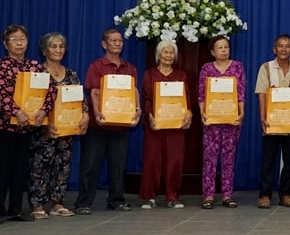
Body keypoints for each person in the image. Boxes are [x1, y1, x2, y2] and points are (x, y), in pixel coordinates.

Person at [75, 28, 141, 214]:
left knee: (118, 165)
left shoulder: (130, 67)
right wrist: (96, 112)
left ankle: (116, 200)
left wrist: (138, 108)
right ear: (104, 44)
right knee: (90, 165)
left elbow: (133, 91)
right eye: (113, 40)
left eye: (120, 40)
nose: (118, 43)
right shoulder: (96, 66)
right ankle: (83, 203)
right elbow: (94, 91)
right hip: (98, 125)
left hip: (120, 125)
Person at [29, 33, 89, 220]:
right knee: (40, 166)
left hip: (67, 130)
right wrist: (46, 125)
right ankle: (37, 204)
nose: (58, 50)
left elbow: (80, 101)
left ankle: (57, 203)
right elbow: (31, 103)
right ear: (44, 50)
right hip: (43, 131)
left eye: (61, 46)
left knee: (62, 165)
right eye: (53, 46)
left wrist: (85, 115)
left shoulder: (71, 74)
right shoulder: (38, 74)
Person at [0, 25, 56, 222]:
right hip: (5, 127)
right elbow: (2, 95)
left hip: (27, 128)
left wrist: (43, 110)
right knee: (3, 169)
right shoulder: (2, 66)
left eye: (22, 39)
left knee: (20, 170)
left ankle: (15, 209)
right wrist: (15, 111)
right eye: (14, 39)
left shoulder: (34, 66)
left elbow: (50, 91)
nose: (19, 42)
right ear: (6, 44)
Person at [255, 34, 290, 209]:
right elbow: (262, 93)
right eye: (280, 46)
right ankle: (265, 195)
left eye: (287, 46)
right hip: (272, 123)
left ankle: (285, 194)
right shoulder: (266, 68)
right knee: (268, 160)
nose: (284, 49)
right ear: (274, 49)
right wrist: (262, 118)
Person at [139, 40, 192, 210]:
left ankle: (172, 196)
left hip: (176, 124)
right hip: (155, 123)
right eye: (165, 52)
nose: (168, 55)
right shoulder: (149, 74)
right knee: (152, 160)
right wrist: (149, 116)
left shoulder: (181, 75)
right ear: (158, 54)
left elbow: (186, 98)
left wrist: (189, 113)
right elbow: (146, 98)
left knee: (175, 160)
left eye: (171, 52)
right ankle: (149, 197)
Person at [198, 35, 246, 209]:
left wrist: (242, 113)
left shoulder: (237, 66)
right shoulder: (206, 68)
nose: (224, 50)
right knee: (209, 158)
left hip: (231, 120)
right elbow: (202, 94)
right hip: (212, 120)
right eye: (220, 47)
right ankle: (208, 195)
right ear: (212, 51)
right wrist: (203, 113)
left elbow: (241, 92)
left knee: (228, 158)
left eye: (226, 47)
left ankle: (227, 194)